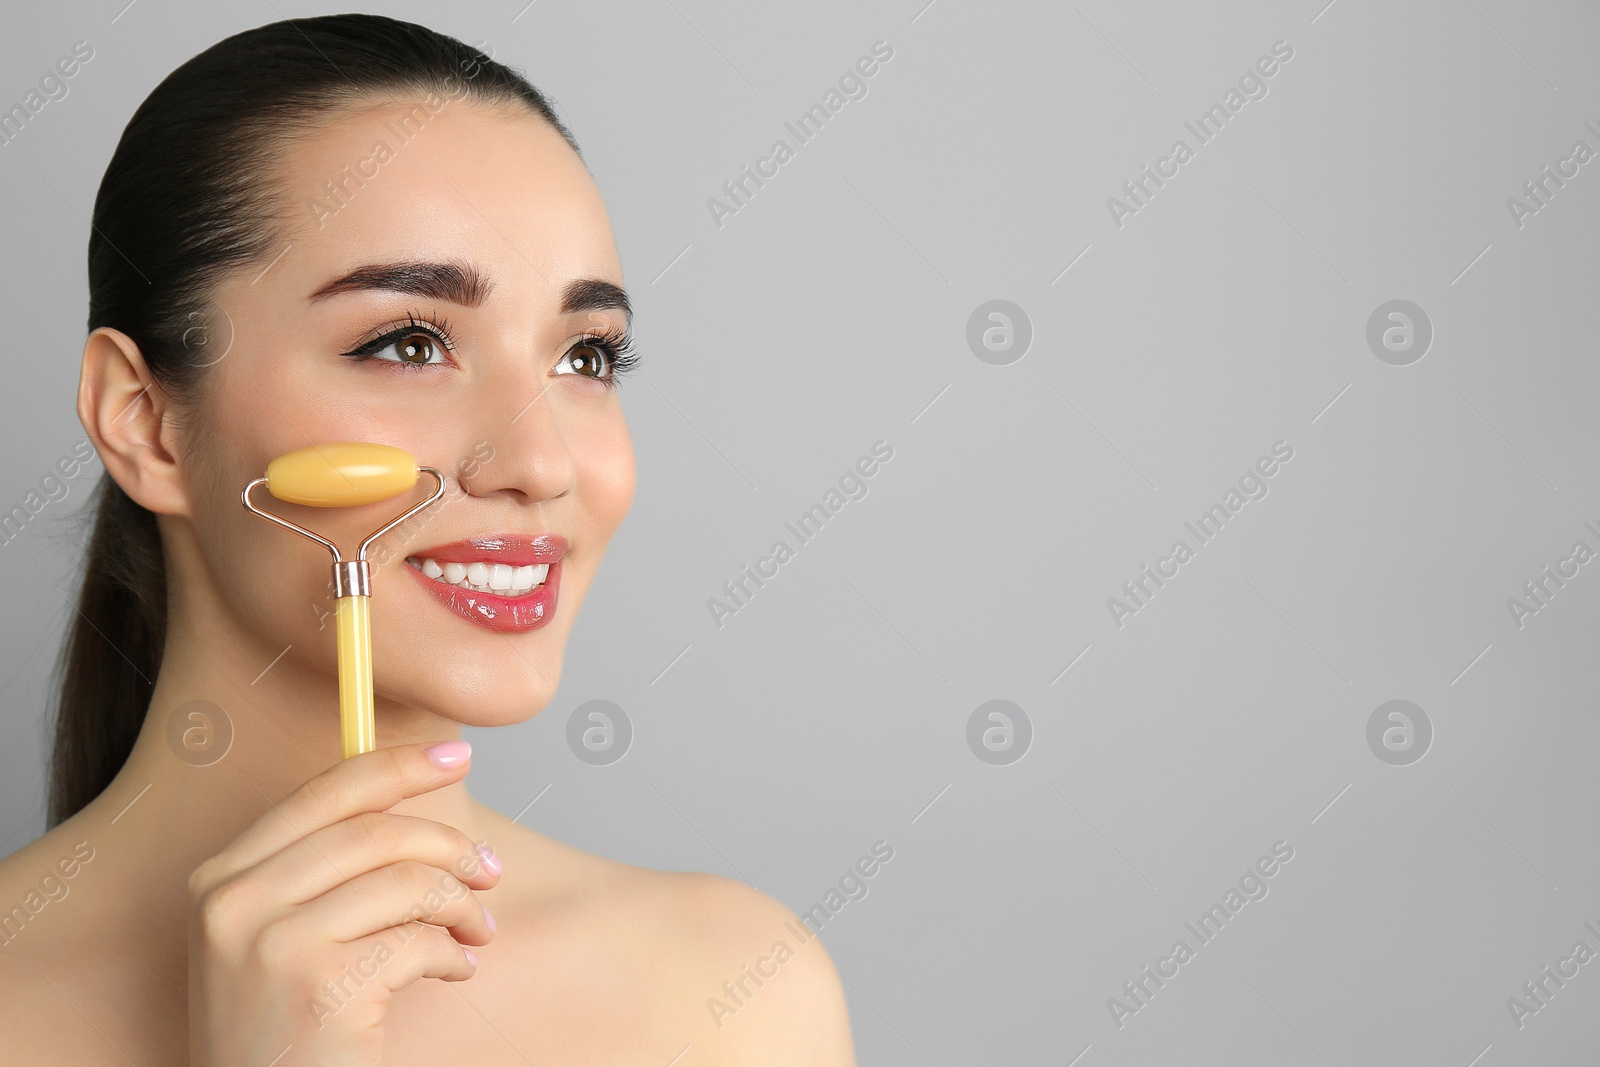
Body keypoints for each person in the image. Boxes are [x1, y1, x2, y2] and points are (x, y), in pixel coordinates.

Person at [0, 13, 855, 1064]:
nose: (539, 463)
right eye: (408, 342)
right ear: (144, 419)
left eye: (586, 357)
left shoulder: (730, 990)